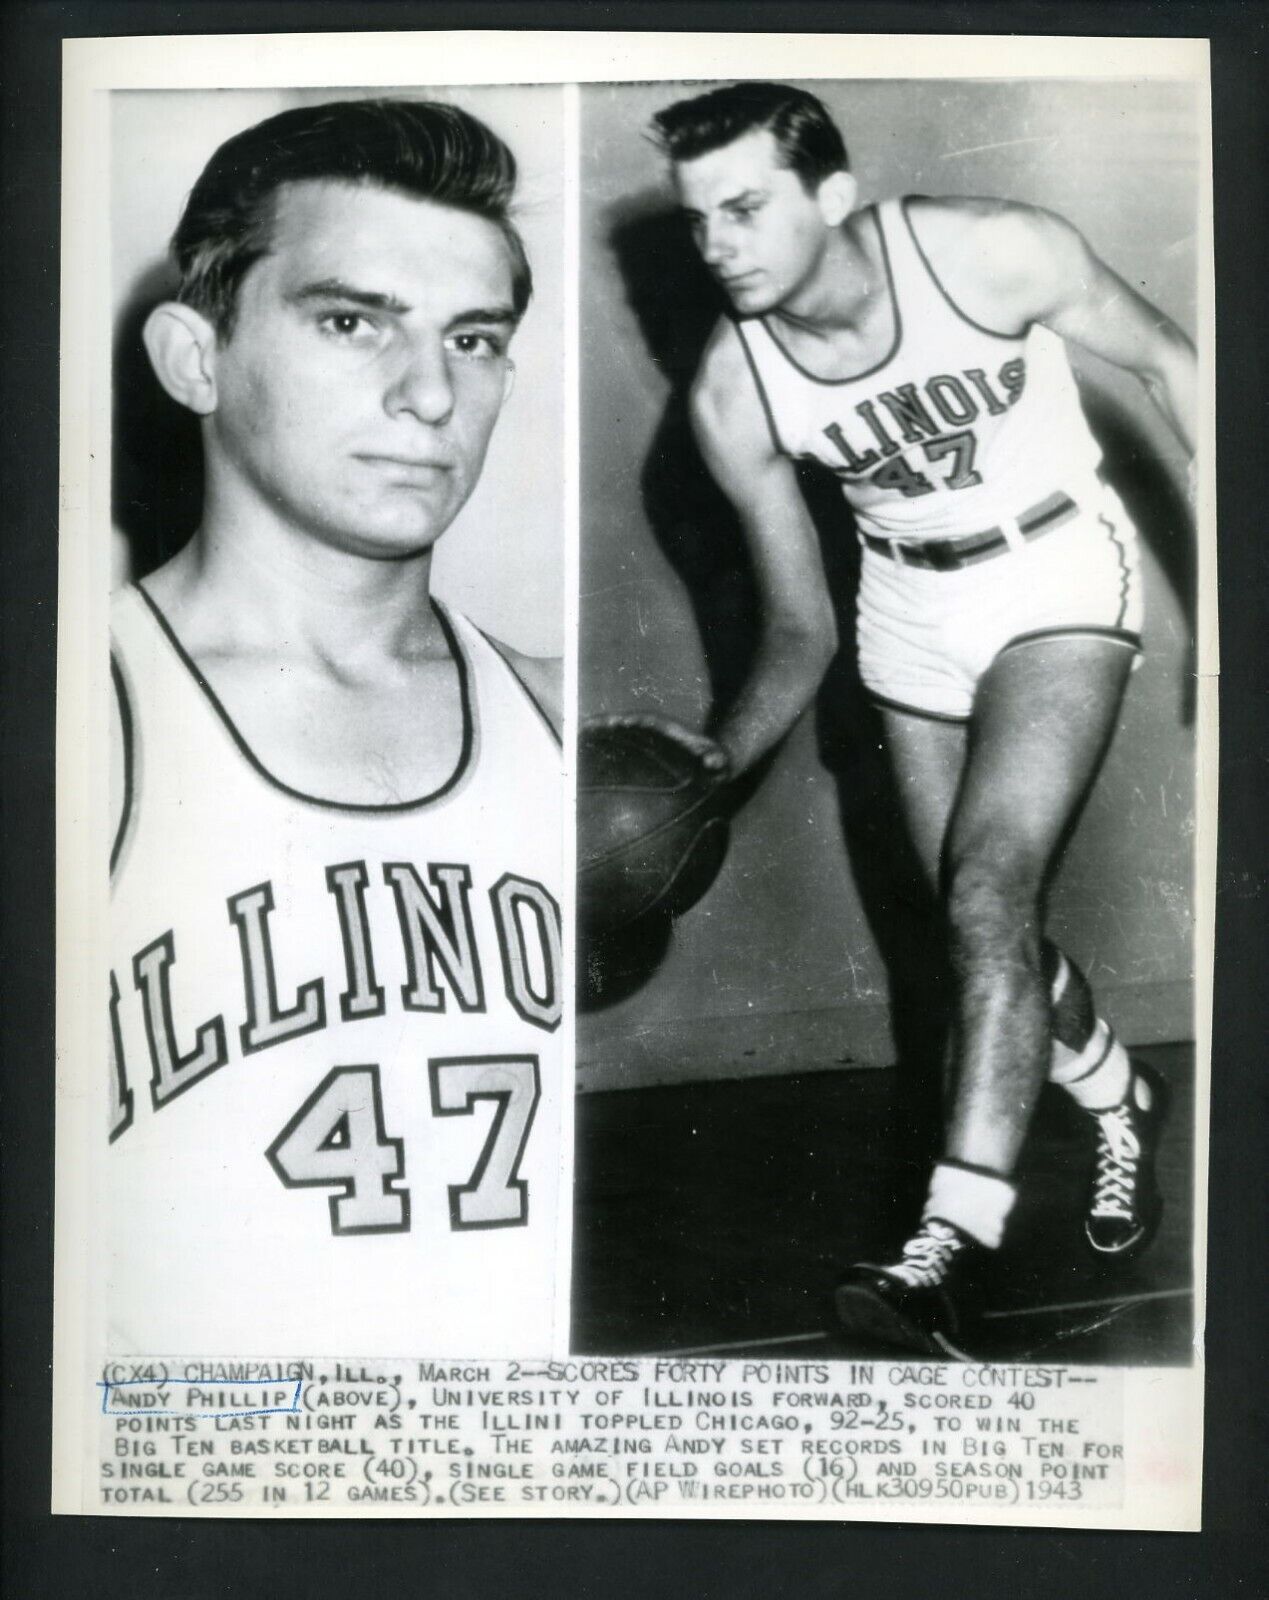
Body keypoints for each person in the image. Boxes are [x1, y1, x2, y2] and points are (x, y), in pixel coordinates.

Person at [648, 81, 1195, 1355]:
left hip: (1056, 571)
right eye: (695, 221)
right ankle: (1121, 1100)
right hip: (906, 609)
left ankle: (949, 1244)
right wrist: (722, 757)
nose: (717, 243)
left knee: (988, 890)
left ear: (833, 195)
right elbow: (799, 625)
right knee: (978, 921)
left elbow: (1173, 358)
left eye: (744, 207)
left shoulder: (987, 251)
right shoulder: (738, 394)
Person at [106, 99, 565, 1360]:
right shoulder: (82, 728)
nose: (429, 395)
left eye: (472, 338)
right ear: (195, 357)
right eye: (351, 321)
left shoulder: (554, 715)